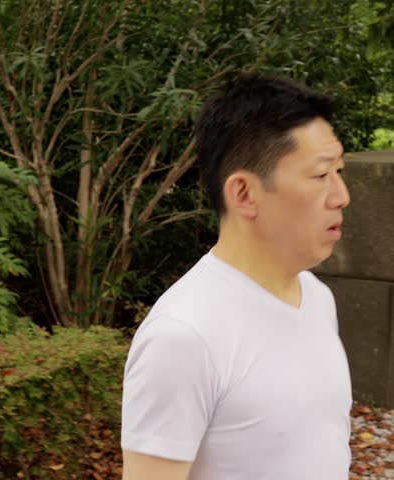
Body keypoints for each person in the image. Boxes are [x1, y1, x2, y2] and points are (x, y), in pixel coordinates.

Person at [121, 73, 353, 480]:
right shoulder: (184, 337)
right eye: (320, 176)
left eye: (339, 171)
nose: (341, 195)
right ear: (244, 193)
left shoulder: (315, 297)